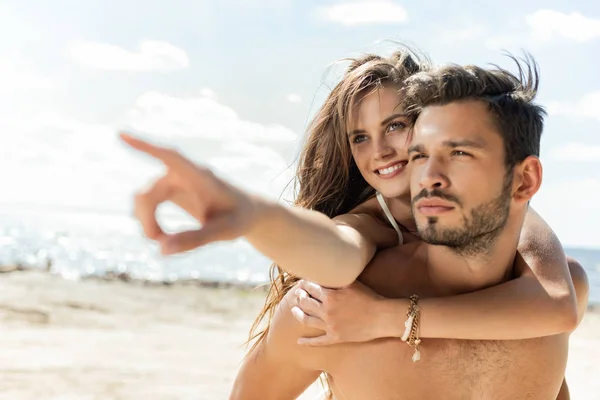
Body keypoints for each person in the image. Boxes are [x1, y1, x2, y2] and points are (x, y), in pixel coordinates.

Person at [121, 52, 588, 398]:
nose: (382, 151)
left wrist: (391, 318)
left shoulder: (528, 255)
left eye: (396, 127)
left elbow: (558, 306)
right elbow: (337, 253)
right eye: (360, 138)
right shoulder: (343, 287)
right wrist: (254, 215)